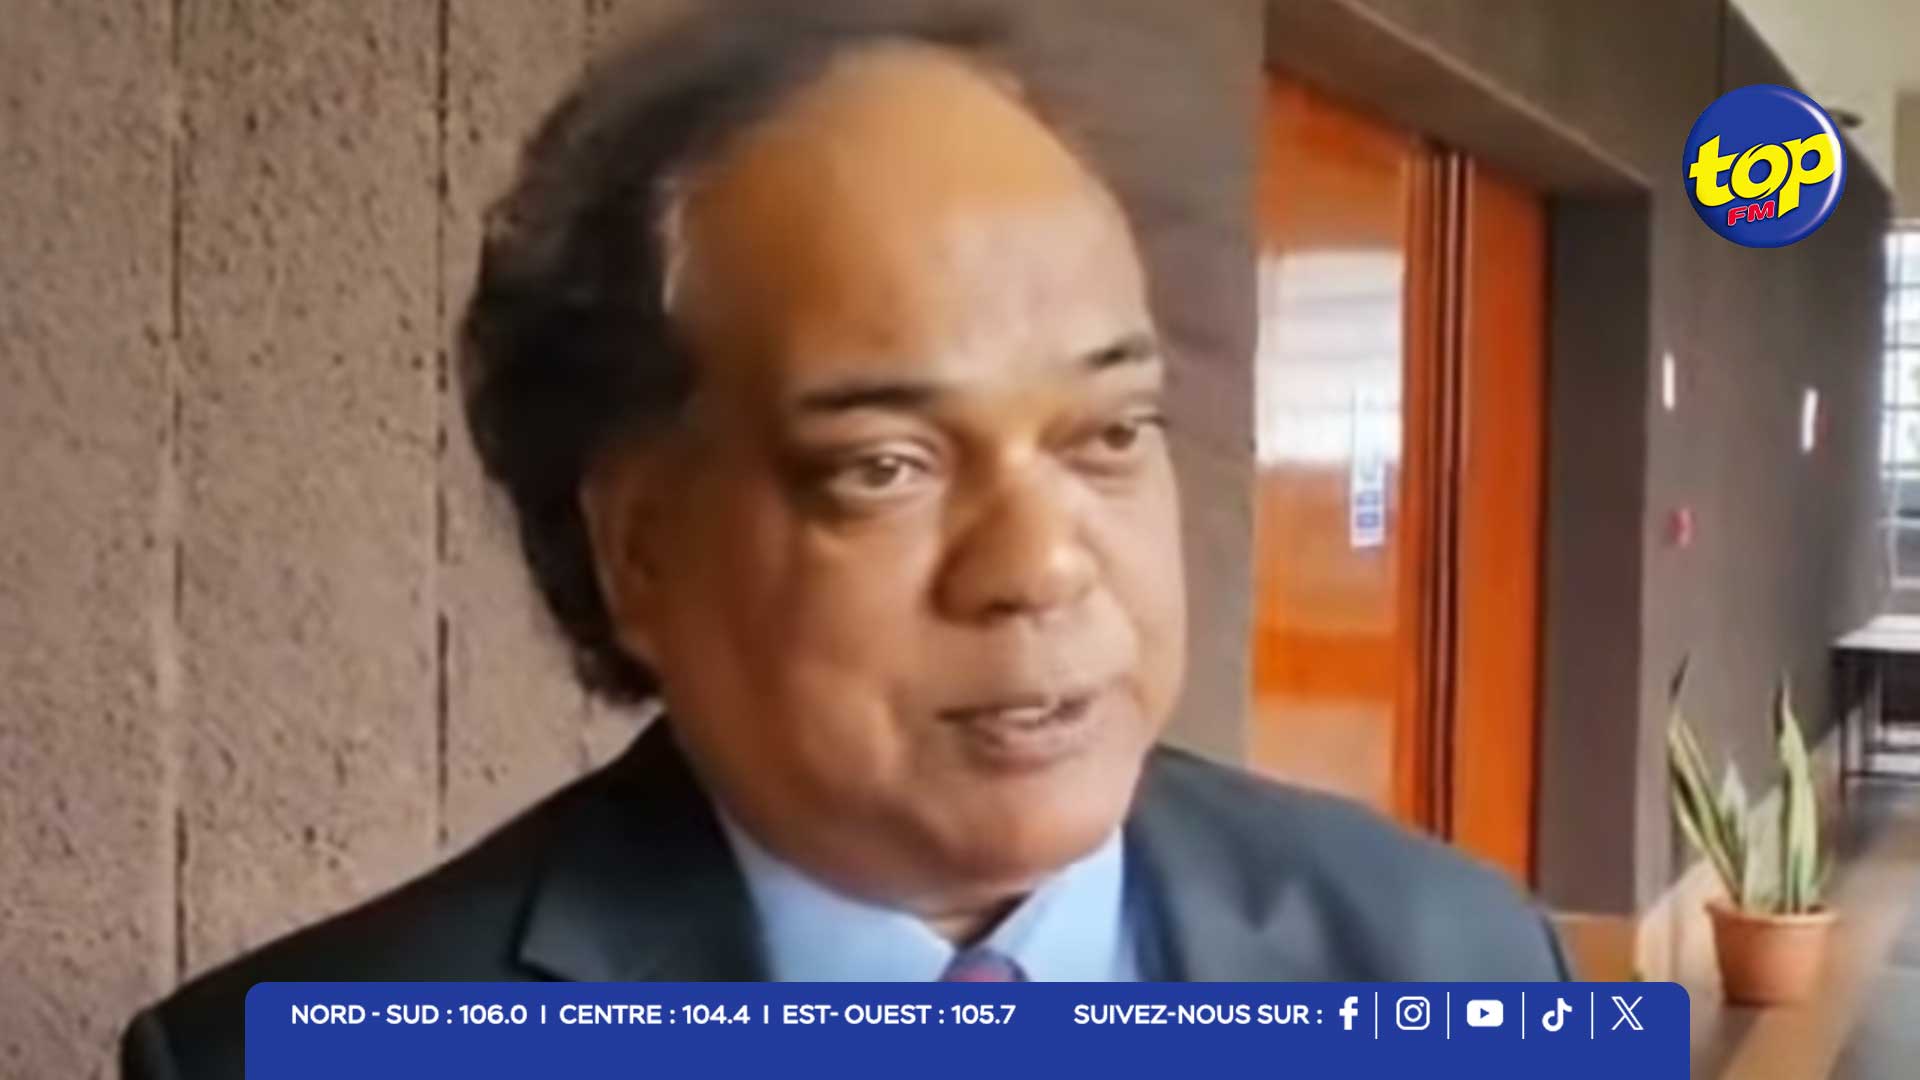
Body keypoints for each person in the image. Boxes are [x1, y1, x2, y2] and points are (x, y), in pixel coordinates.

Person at [123, 7, 1564, 1076]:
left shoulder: (1455, 964)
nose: (1042, 566)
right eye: (885, 467)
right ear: (640, 551)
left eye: (1108, 433)